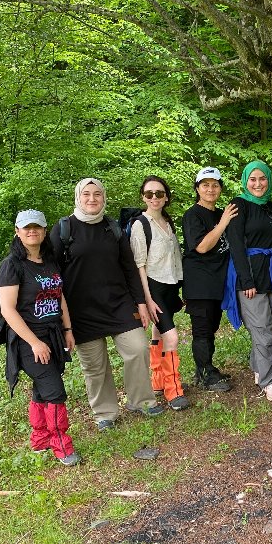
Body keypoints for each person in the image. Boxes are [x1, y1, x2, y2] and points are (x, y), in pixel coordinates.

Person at [51, 178, 163, 430]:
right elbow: (52, 275)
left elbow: (129, 267)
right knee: (95, 365)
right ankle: (105, 413)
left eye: (97, 194)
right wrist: (61, 319)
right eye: (87, 194)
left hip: (118, 304)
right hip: (82, 311)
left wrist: (140, 303)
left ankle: (141, 400)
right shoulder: (63, 229)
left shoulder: (112, 228)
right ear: (78, 197)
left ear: (104, 198)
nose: (92, 199)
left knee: (137, 348)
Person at [0, 209, 80, 466]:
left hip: (54, 333)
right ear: (17, 231)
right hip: (28, 339)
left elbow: (60, 297)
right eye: (26, 227)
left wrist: (68, 330)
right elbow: (7, 309)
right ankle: (61, 445)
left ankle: (40, 438)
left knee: (42, 390)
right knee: (54, 391)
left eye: (37, 227)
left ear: (44, 231)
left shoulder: (49, 261)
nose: (32, 231)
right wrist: (34, 342)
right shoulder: (12, 265)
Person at [223, 160, 272, 402]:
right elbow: (237, 246)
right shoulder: (238, 205)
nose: (258, 183)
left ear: (269, 181)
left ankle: (259, 366)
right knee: (262, 329)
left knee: (271, 327)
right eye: (253, 179)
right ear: (245, 181)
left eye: (262, 179)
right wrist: (246, 280)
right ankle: (269, 381)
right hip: (249, 273)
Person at [130, 175, 189, 411]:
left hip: (170, 285)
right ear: (143, 196)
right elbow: (139, 265)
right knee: (172, 338)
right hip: (153, 288)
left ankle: (157, 381)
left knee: (159, 332)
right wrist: (147, 298)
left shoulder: (167, 221)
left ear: (166, 197)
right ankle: (173, 390)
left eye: (159, 193)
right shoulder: (140, 225)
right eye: (149, 194)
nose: (154, 198)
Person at [181, 167, 238, 391]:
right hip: (200, 282)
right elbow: (203, 246)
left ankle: (205, 368)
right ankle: (205, 375)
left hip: (218, 281)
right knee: (202, 329)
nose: (210, 189)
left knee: (211, 326)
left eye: (215, 185)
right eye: (205, 185)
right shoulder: (192, 215)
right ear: (197, 189)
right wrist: (223, 223)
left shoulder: (221, 213)